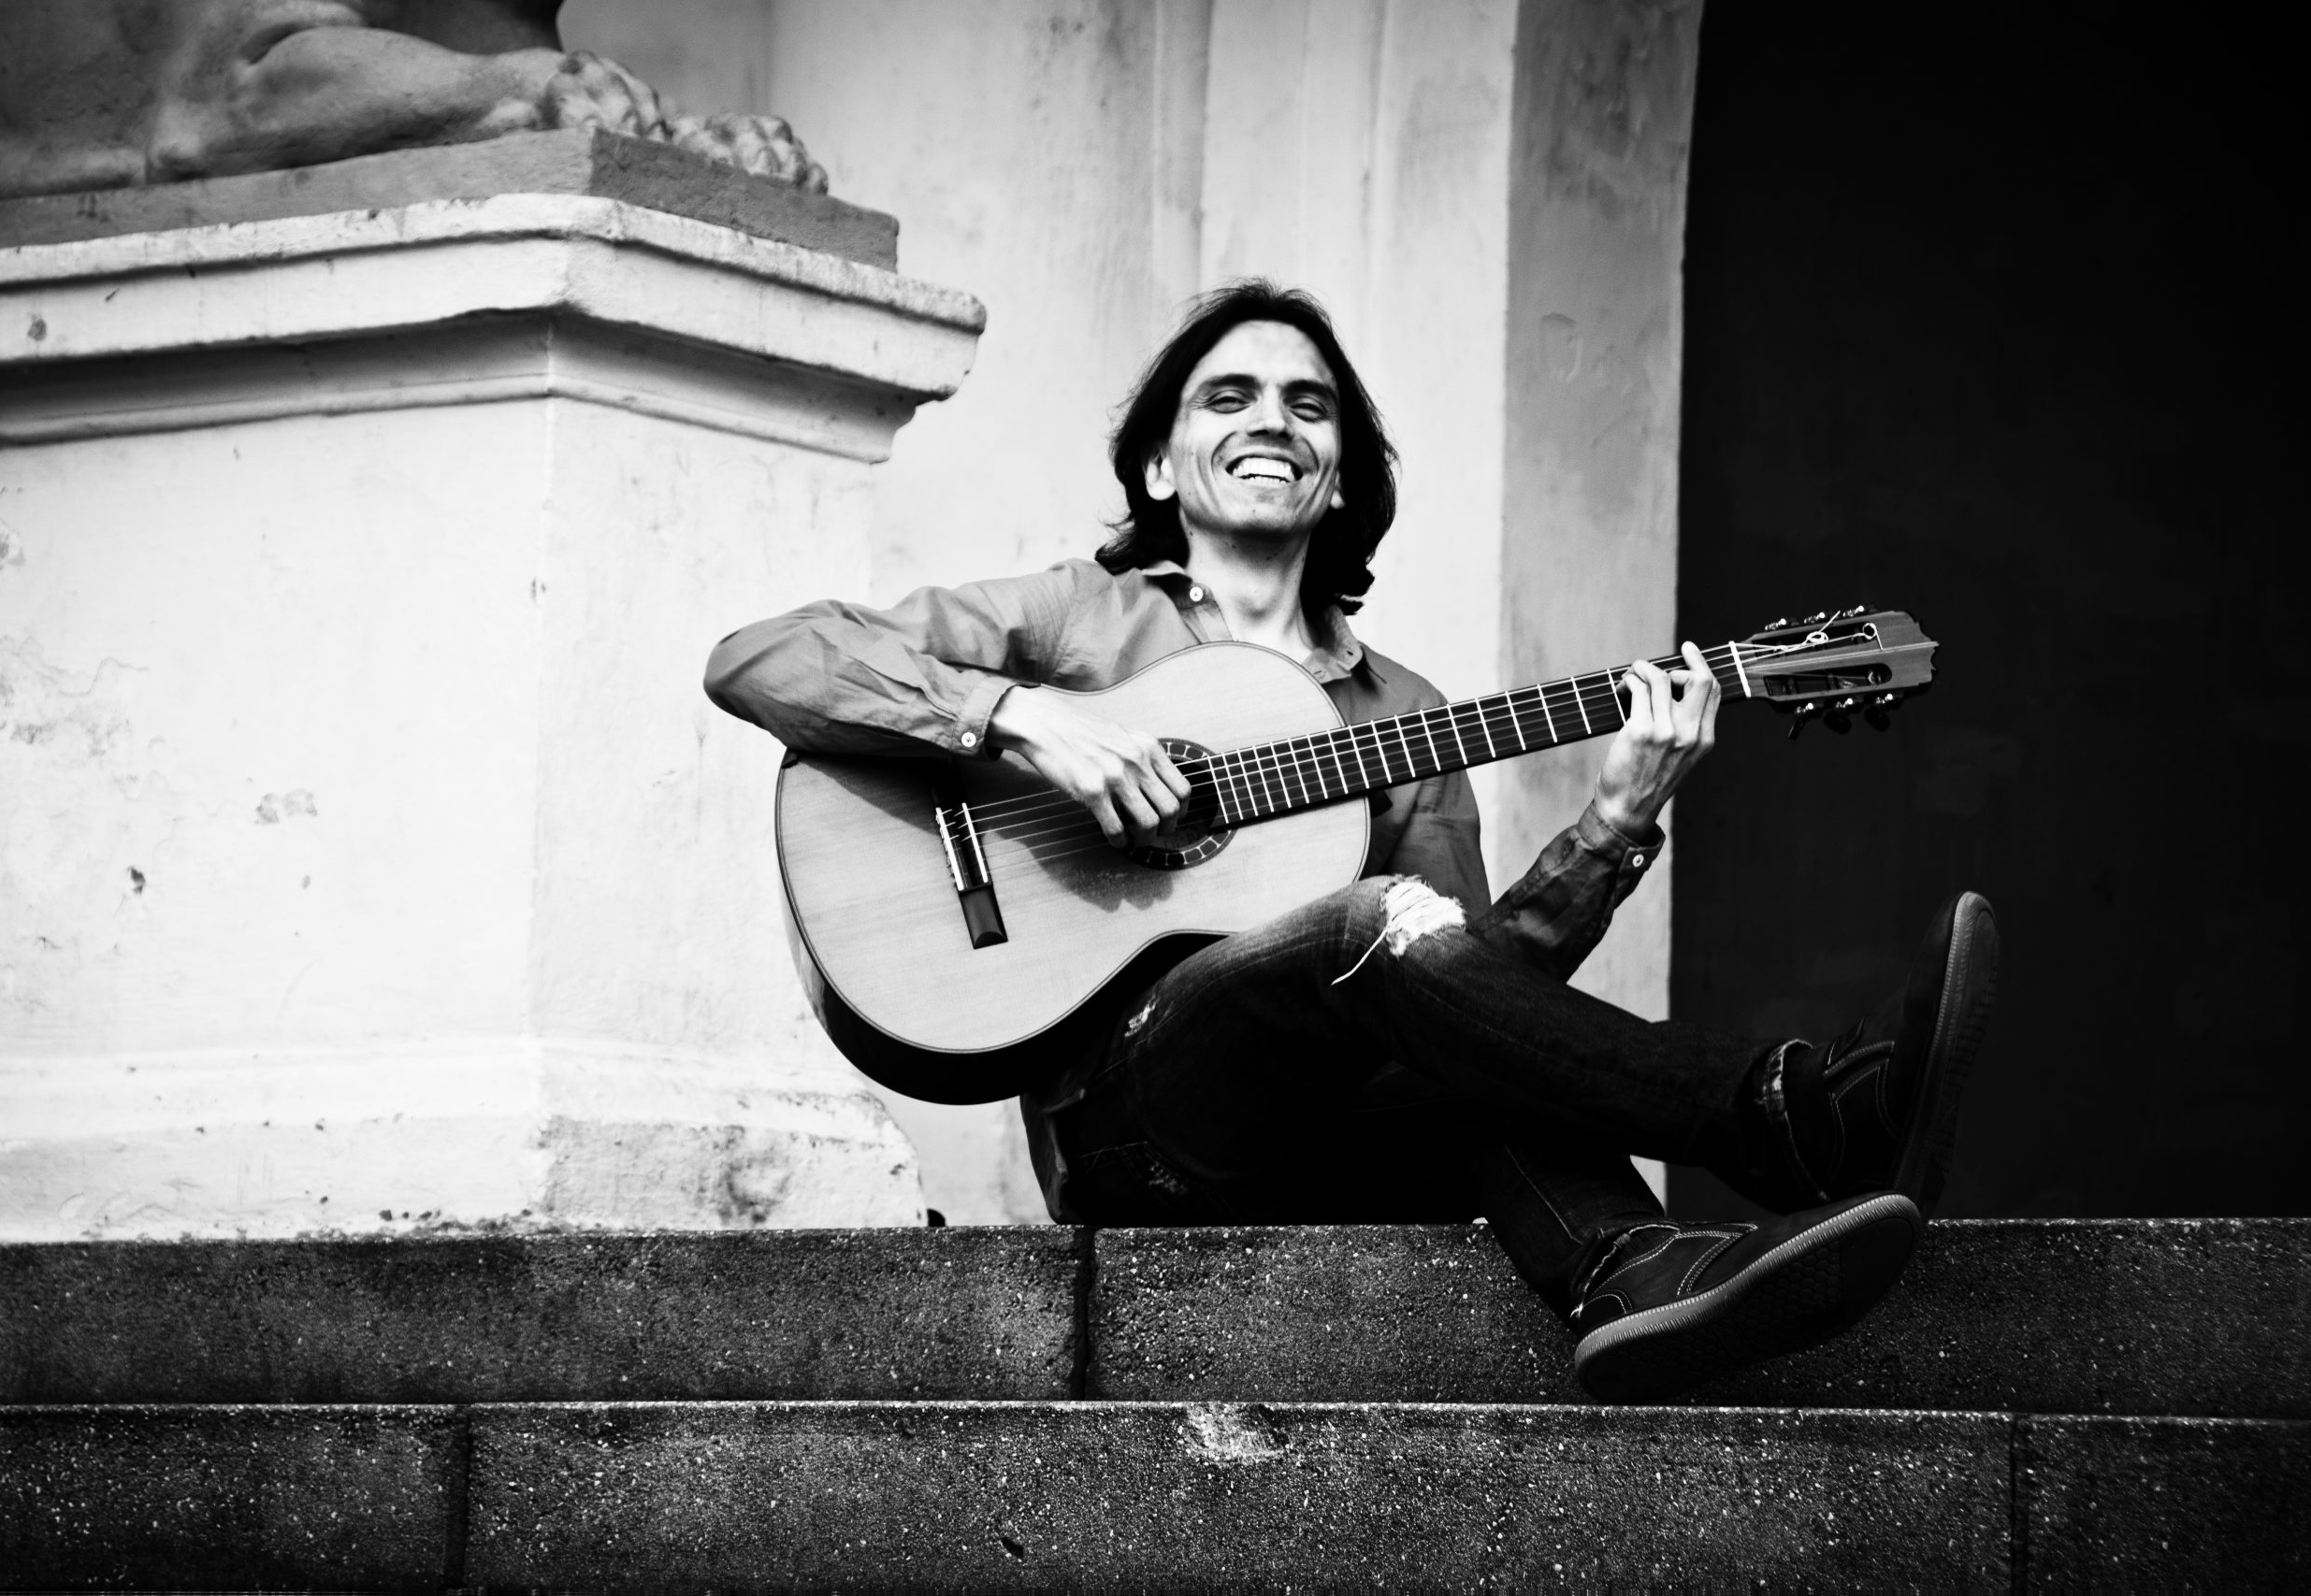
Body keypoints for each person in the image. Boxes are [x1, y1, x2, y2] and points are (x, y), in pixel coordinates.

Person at [705, 280, 1999, 1402]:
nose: (1271, 420)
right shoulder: (1072, 622)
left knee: (1402, 945)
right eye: (1227, 398)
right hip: (1133, 1131)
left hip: (1325, 1141)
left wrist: (1613, 827)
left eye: (1308, 406)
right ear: (1159, 469)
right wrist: (1022, 720)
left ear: (1340, 477)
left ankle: (1640, 1272)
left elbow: (1476, 998)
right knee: (1367, 922)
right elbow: (762, 657)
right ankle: (1786, 1115)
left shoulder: (1407, 717)